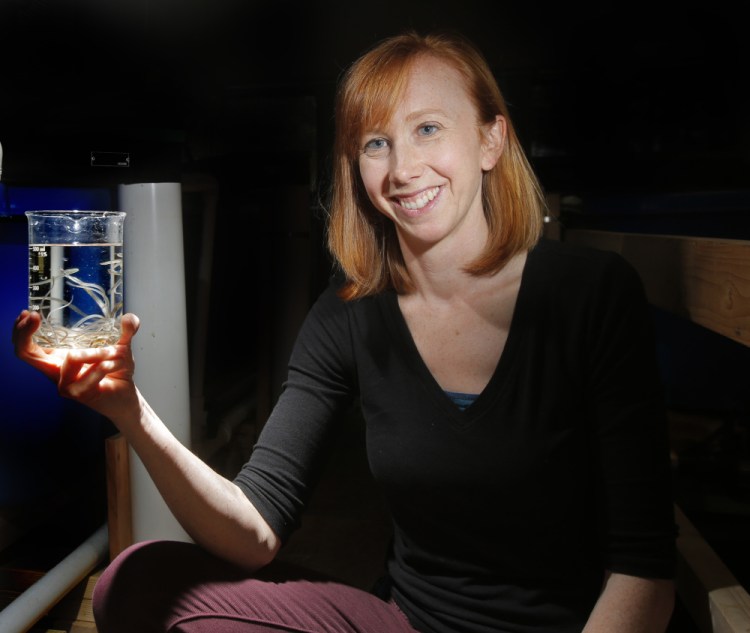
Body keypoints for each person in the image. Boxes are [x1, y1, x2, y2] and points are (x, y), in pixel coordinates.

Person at [12, 30, 677, 633]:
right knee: (134, 581)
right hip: (409, 622)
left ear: (491, 140)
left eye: (428, 129)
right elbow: (256, 528)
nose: (403, 168)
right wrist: (131, 413)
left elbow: (644, 571)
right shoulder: (349, 311)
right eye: (376, 143)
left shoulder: (591, 293)